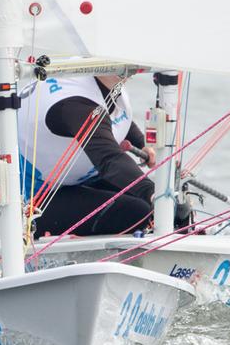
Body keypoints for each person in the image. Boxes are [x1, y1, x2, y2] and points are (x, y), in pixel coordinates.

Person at [17, 73, 156, 236]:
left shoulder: (105, 84)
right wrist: (153, 193)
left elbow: (115, 116)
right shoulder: (75, 106)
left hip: (74, 180)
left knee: (170, 211)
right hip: (34, 198)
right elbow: (110, 160)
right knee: (140, 213)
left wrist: (142, 143)